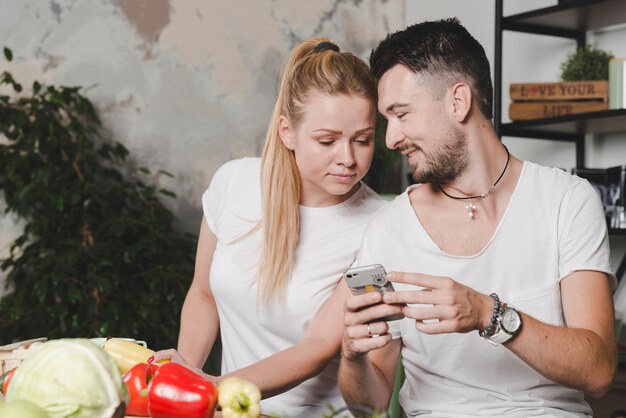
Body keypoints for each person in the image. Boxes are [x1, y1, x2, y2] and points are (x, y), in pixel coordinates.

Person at [338, 18, 617, 417]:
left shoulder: (567, 201)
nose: (390, 139)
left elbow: (599, 370)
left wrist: (488, 313)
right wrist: (352, 356)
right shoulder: (389, 229)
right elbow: (371, 403)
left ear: (458, 102)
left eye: (401, 114)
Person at [153, 37, 386, 417]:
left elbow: (318, 346)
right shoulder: (233, 182)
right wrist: (187, 384)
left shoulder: (379, 226)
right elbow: (204, 294)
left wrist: (215, 386)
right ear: (287, 131)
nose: (347, 158)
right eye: (327, 140)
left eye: (363, 140)